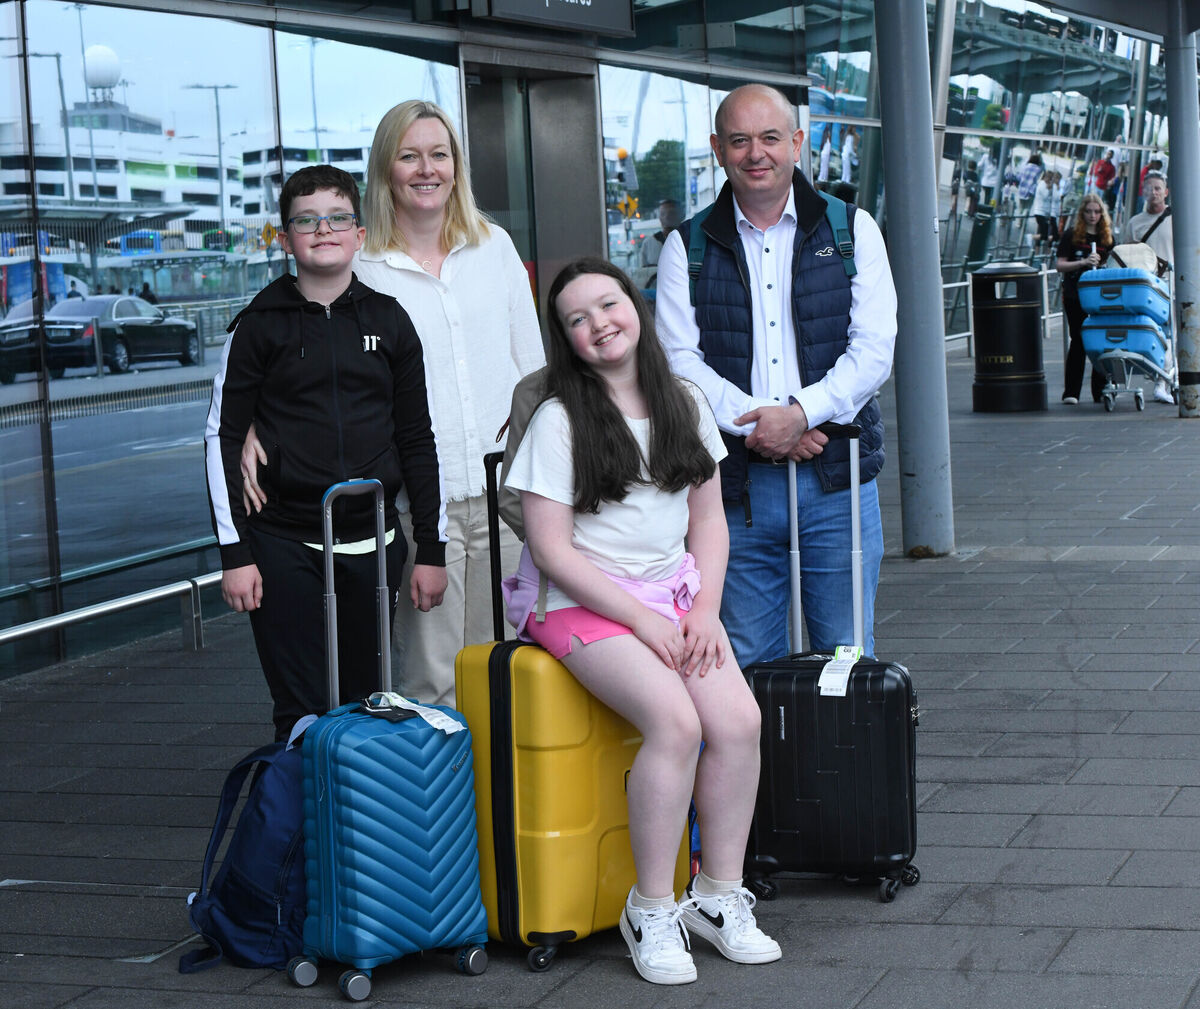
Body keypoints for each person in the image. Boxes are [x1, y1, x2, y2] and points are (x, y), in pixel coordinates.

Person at [503, 256, 779, 986]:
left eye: (607, 304)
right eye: (577, 318)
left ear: (635, 304)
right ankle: (651, 906)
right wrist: (643, 621)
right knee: (677, 723)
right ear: (566, 339)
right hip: (581, 605)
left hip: (675, 597)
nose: (598, 323)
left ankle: (718, 896)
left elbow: (710, 521)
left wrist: (706, 611)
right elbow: (551, 549)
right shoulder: (559, 419)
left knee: (739, 723)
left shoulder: (684, 398)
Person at [242, 100, 544, 708]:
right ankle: (438, 804)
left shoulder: (496, 248)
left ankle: (500, 805)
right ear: (387, 169)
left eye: (439, 154)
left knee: (508, 672)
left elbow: (534, 374)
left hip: (506, 499)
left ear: (456, 167)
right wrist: (250, 416)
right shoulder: (364, 265)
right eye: (409, 156)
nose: (426, 169)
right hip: (414, 508)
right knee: (428, 682)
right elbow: (289, 328)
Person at [656, 83, 897, 668]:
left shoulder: (851, 230)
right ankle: (761, 766)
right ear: (717, 148)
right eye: (739, 140)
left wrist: (802, 414)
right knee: (740, 667)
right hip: (731, 495)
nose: (755, 153)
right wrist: (763, 426)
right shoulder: (684, 246)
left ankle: (840, 764)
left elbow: (874, 350)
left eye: (769, 138)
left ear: (797, 141)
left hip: (837, 486)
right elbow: (678, 366)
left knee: (845, 663)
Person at [204, 164, 447, 741]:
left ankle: (359, 829)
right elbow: (222, 437)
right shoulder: (258, 325)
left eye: (338, 217)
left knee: (368, 705)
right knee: (302, 712)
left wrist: (432, 547)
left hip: (372, 542)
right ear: (285, 238)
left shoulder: (390, 320)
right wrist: (234, 553)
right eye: (306, 220)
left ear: (359, 234)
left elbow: (417, 437)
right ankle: (306, 830)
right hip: (283, 545)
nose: (323, 230)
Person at [1056, 192, 1114, 406]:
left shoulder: (1107, 239)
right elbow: (1060, 264)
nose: (1092, 216)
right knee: (1079, 340)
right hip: (1075, 294)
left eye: (1097, 212)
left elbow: (1114, 267)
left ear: (1102, 214)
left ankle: (1100, 390)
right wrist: (1081, 263)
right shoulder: (1072, 235)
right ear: (1082, 213)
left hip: (1100, 296)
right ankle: (1071, 392)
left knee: (1100, 341)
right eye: (1088, 211)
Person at [1122, 171, 1174, 404]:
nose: (1153, 193)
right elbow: (1126, 256)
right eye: (1149, 188)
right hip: (1148, 290)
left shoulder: (1178, 218)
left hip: (1175, 285)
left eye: (1157, 188)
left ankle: (1171, 379)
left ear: (1166, 192)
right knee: (1158, 335)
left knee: (1177, 335)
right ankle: (1161, 381)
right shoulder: (1135, 223)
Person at [638, 198, 684, 273]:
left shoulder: (689, 240)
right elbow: (643, 273)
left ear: (682, 216)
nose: (666, 217)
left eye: (671, 213)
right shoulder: (649, 243)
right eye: (663, 214)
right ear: (659, 218)